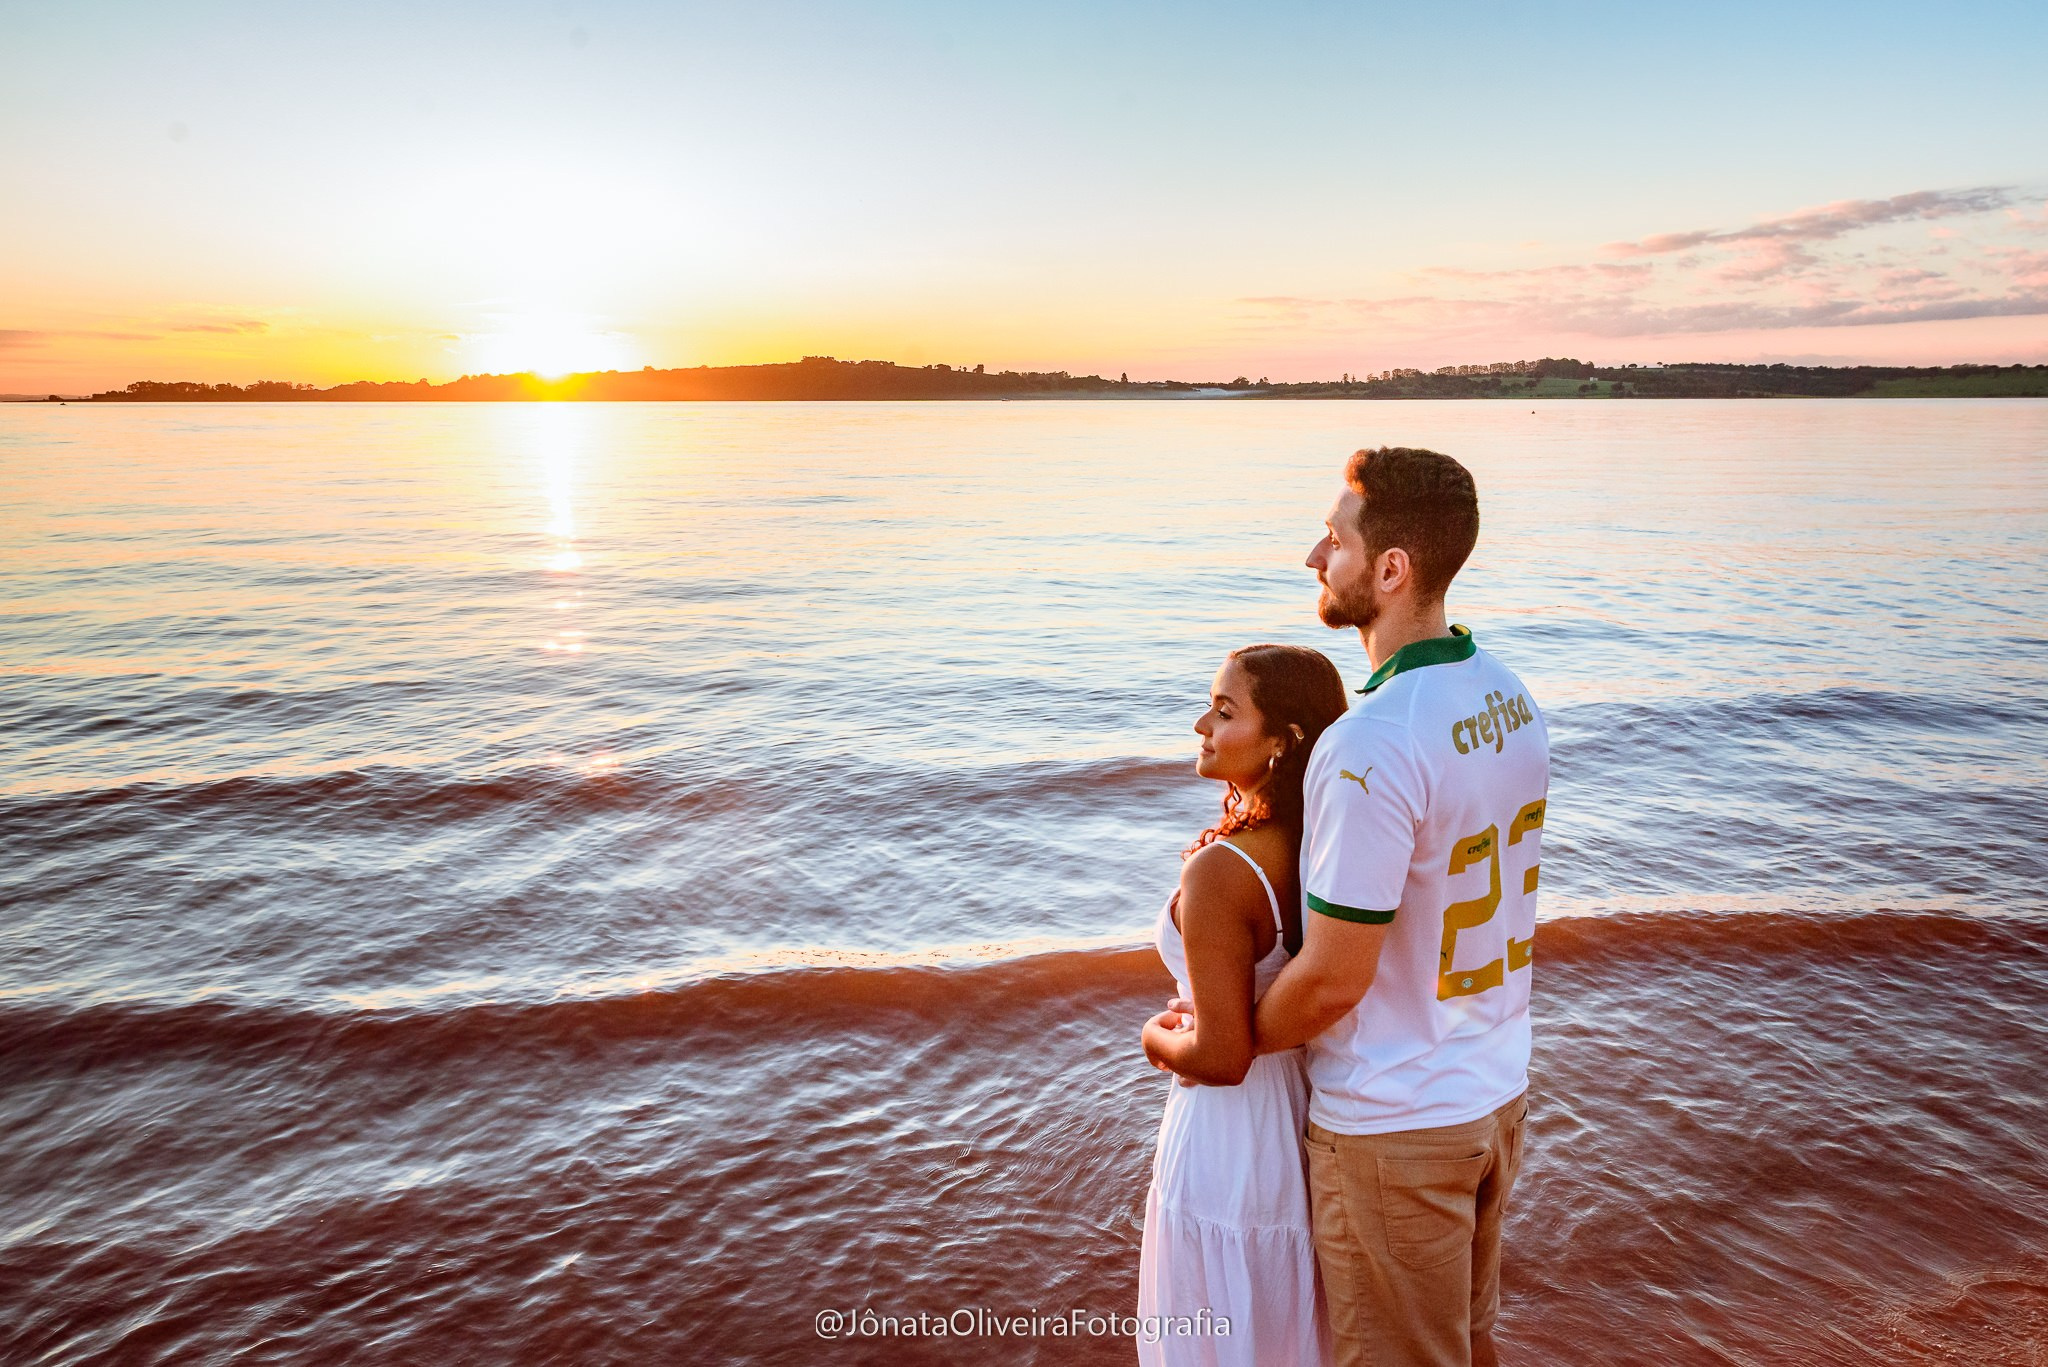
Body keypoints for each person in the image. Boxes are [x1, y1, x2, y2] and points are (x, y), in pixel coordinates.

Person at [1244, 445, 1549, 1367]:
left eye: (1334, 541)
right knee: (1470, 1342)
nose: (1314, 557)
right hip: (1494, 1091)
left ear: (1390, 570)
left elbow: (1333, 979)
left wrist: (1228, 1039)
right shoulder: (1508, 695)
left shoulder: (1369, 741)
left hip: (1395, 1125)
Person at [1136, 644, 1349, 1367]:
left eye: (1225, 712)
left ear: (1283, 740)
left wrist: (1156, 1038)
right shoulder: (1322, 847)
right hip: (1305, 1115)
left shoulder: (1223, 872)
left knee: (1217, 1325)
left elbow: (1221, 1058)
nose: (1202, 725)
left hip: (1229, 1140)